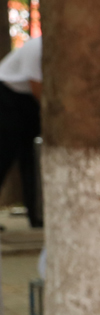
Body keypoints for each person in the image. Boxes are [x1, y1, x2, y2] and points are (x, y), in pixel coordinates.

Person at [0, 32, 42, 225]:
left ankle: (36, 214)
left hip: (28, 102)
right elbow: (37, 87)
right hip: (6, 96)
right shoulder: (37, 47)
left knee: (31, 157)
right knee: (4, 155)